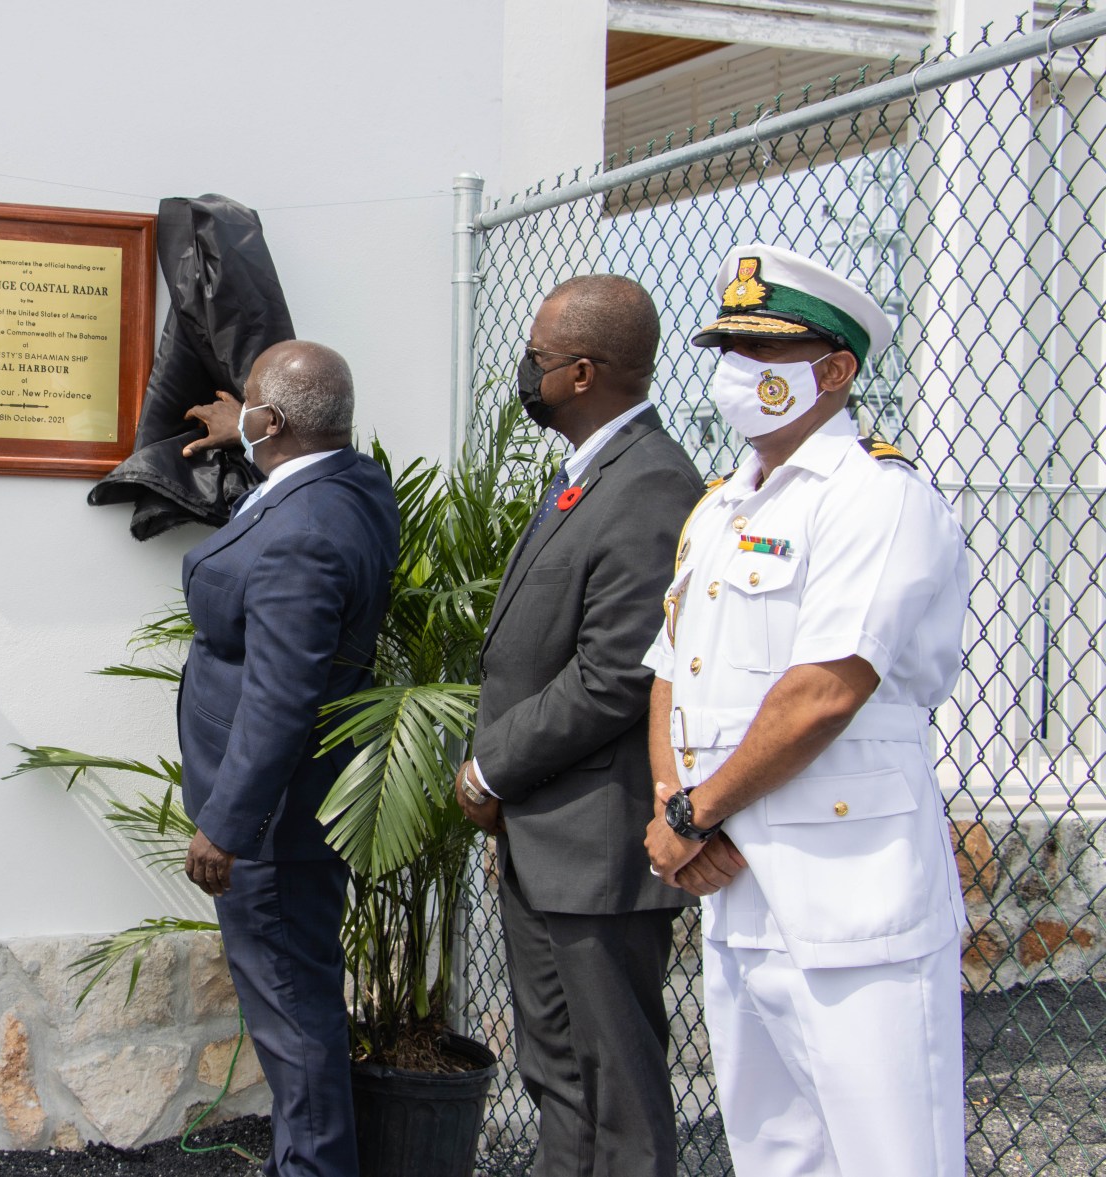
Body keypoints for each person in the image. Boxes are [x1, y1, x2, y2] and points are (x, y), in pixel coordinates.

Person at [643, 244, 970, 1175]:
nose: (739, 372)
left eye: (765, 351)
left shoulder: (876, 498)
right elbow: (670, 667)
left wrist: (694, 813)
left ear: (835, 372)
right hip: (735, 884)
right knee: (774, 1150)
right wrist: (676, 803)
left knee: (890, 1156)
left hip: (849, 887)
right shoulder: (719, 507)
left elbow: (826, 689)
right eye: (730, 347)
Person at [452, 276, 704, 1175]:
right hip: (549, 840)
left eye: (540, 357)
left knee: (618, 1091)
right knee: (558, 1076)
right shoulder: (589, 476)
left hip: (595, 850)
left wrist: (492, 767)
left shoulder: (650, 483)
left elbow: (614, 675)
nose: (528, 370)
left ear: (585, 372)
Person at [178, 340, 398, 1177]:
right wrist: (249, 430)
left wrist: (227, 826)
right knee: (297, 998)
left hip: (269, 823)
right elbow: (283, 497)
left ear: (272, 421)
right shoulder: (349, 485)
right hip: (294, 808)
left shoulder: (304, 535)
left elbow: (280, 694)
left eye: (255, 415)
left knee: (294, 1013)